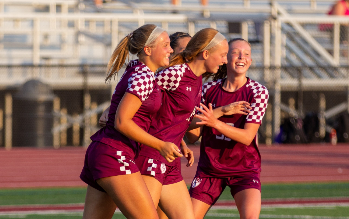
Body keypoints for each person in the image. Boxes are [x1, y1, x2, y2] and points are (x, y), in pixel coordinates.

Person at [80, 24, 182, 219]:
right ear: (148, 50)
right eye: (166, 45)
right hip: (115, 154)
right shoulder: (143, 75)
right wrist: (161, 145)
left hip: (104, 151)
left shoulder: (140, 72)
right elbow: (122, 121)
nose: (171, 49)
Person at [187, 38, 269, 219]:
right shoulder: (207, 89)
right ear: (225, 58)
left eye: (246, 54)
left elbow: (248, 137)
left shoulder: (258, 92)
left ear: (251, 60)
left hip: (244, 170)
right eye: (235, 53)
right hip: (210, 170)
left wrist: (214, 122)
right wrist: (219, 112)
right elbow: (192, 136)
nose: (242, 57)